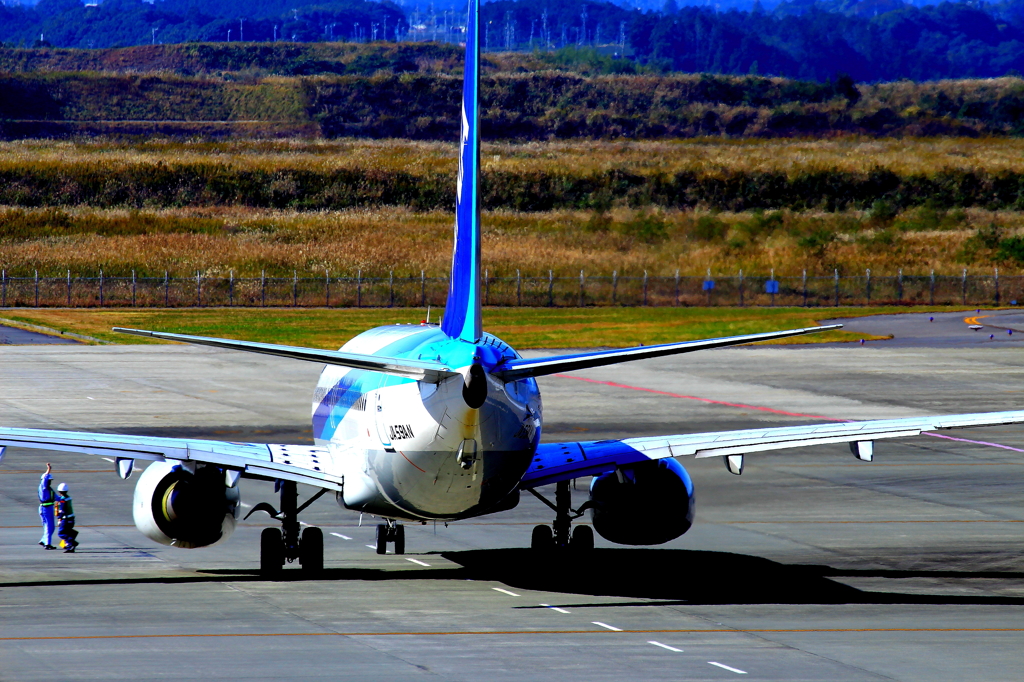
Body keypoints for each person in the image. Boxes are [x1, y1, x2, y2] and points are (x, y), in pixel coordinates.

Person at [55, 482, 79, 553]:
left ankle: (72, 543)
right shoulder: (68, 498)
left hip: (66, 519)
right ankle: (70, 546)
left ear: (59, 491)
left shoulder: (62, 499)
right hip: (71, 518)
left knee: (61, 533)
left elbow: (62, 510)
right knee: (68, 532)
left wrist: (59, 518)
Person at [38, 463, 56, 550]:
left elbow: (57, 498)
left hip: (48, 508)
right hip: (45, 509)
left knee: (50, 527)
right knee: (49, 526)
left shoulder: (50, 490)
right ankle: (47, 544)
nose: (49, 482)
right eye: (49, 480)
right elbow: (44, 479)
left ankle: (43, 540)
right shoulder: (43, 487)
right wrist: (49, 469)